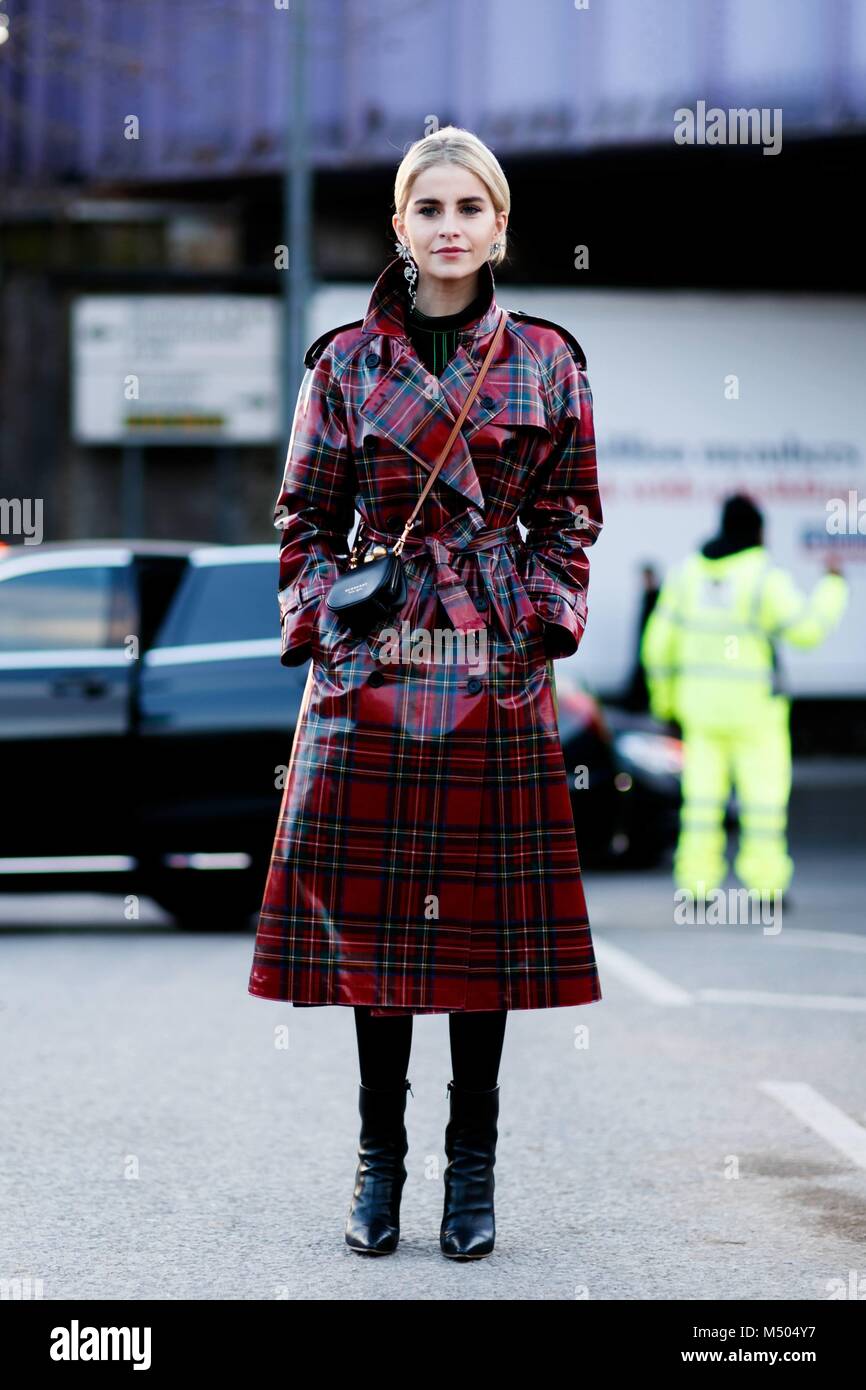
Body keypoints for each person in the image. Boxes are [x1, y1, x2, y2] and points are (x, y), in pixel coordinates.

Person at [247, 126, 604, 1260]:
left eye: (469, 208)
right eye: (428, 208)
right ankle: (376, 1165)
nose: (449, 227)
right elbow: (302, 521)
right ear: (399, 229)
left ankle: (471, 1170)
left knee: (481, 941)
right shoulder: (341, 364)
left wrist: (534, 624)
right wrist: (326, 634)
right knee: (376, 940)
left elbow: (572, 517)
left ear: (499, 226)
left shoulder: (549, 359)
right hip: (376, 665)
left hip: (491, 668)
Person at [640, 493, 848, 904]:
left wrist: (665, 703)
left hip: (699, 710)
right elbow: (806, 630)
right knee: (764, 802)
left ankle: (696, 887)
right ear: (758, 530)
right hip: (756, 713)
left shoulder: (687, 576)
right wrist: (833, 586)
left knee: (700, 802)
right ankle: (767, 887)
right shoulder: (763, 576)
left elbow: (656, 648)